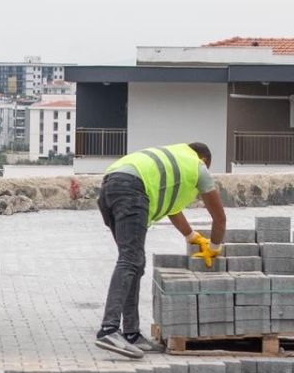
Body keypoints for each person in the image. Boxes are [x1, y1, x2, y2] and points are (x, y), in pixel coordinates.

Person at [95, 141, 226, 358]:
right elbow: (220, 218)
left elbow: (173, 209)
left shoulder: (175, 160)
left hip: (110, 187)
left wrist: (192, 236)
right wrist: (214, 247)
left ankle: (131, 333)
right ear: (204, 159)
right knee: (130, 260)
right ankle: (108, 329)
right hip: (132, 191)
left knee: (134, 263)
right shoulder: (198, 167)